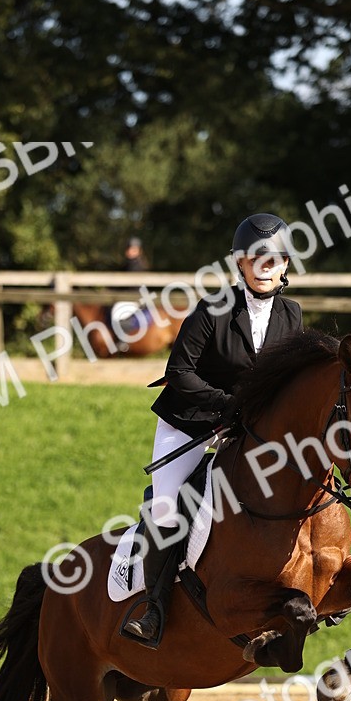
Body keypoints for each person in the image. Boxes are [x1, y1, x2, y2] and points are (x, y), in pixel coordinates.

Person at [124, 211, 302, 646]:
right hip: (191, 422)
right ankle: (154, 607)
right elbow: (179, 372)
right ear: (239, 263)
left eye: (274, 260)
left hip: (249, 431)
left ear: (285, 266)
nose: (265, 268)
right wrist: (228, 406)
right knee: (167, 504)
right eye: (255, 259)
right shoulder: (212, 309)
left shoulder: (291, 315)